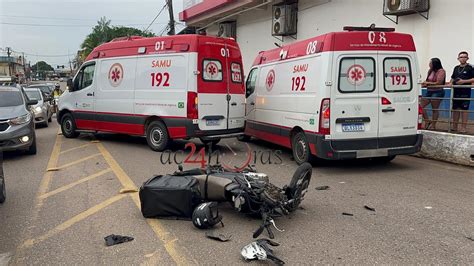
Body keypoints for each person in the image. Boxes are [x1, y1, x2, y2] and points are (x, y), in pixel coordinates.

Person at [449, 51, 474, 133]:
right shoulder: (456, 68)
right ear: (458, 58)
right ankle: (454, 126)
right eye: (461, 57)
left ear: (467, 58)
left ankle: (463, 127)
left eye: (464, 57)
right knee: (455, 109)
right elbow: (452, 78)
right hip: (456, 91)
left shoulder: (471, 67)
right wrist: (450, 83)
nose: (463, 58)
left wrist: (463, 81)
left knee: (464, 110)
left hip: (465, 91)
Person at [421, 58, 446, 130]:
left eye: (430, 63)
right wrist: (425, 84)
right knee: (420, 106)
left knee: (434, 109)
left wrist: (427, 83)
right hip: (429, 91)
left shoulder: (441, 71)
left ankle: (433, 125)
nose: (429, 64)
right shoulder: (430, 71)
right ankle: (427, 121)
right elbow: (427, 80)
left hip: (438, 91)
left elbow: (439, 82)